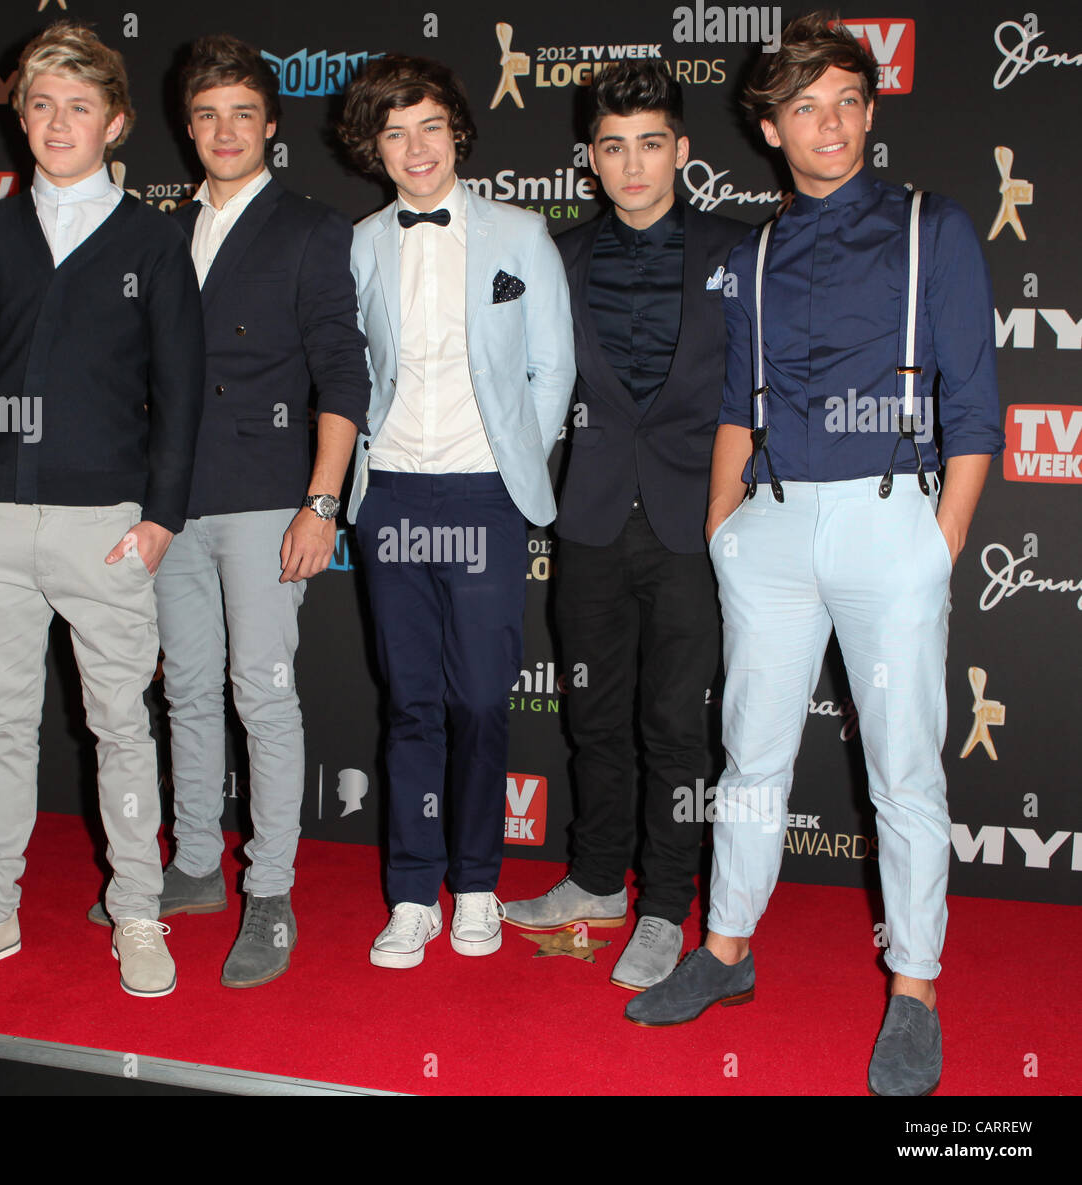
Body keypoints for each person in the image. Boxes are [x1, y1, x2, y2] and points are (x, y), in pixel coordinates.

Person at [624, 13, 1003, 1098]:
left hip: (893, 522)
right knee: (748, 759)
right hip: (772, 530)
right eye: (804, 106)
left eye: (846, 100)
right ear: (768, 124)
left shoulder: (935, 225)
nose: (827, 123)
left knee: (904, 774)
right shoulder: (747, 251)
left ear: (868, 112)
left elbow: (973, 403)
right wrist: (724, 529)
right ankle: (727, 951)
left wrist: (939, 542)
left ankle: (916, 987)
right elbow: (735, 409)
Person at [0, 21, 205, 999]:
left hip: (104, 526)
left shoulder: (154, 241)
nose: (57, 122)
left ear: (115, 123)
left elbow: (182, 387)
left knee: (122, 727)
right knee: (2, 726)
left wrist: (160, 515)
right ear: (20, 117)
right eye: (41, 105)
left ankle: (139, 915)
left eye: (79, 106)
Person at [86, 34, 370, 990]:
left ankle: (274, 891)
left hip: (267, 499)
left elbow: (343, 374)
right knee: (187, 690)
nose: (223, 130)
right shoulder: (162, 232)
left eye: (242, 112)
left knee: (263, 691)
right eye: (206, 114)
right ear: (186, 126)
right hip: (173, 503)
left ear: (271, 125)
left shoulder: (311, 230)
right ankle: (197, 864)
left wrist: (321, 503)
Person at [501, 61, 748, 993]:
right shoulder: (554, 259)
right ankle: (599, 880)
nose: (634, 164)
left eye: (652, 144)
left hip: (698, 522)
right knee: (594, 714)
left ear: (681, 151)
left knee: (675, 727)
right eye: (614, 147)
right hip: (592, 518)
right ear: (591, 161)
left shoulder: (737, 252)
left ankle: (663, 907)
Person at [336, 54, 575, 968]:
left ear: (457, 131)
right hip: (391, 490)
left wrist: (516, 455)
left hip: (484, 495)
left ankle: (475, 882)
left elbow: (552, 366)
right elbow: (348, 367)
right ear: (374, 149)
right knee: (412, 704)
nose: (415, 147)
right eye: (394, 133)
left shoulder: (520, 235)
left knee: (480, 698)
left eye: (428, 126)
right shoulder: (360, 244)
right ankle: (410, 893)